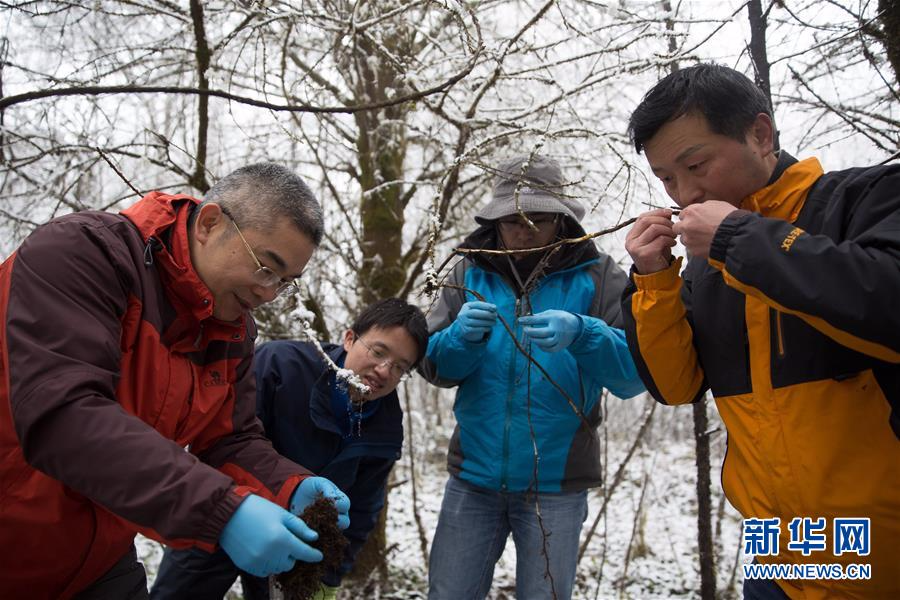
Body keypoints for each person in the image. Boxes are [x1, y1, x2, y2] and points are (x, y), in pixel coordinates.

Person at [0, 163, 352, 600]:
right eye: (266, 267)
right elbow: (63, 417)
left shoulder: (233, 330)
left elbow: (229, 439)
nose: (268, 292)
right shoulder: (84, 253)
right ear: (209, 223)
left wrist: (289, 485)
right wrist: (222, 513)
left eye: (285, 282)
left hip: (98, 557)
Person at [622, 63, 900, 599]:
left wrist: (738, 239)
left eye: (695, 164)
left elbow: (888, 302)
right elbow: (676, 387)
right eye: (666, 178)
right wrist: (654, 283)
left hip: (885, 554)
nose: (683, 191)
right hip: (781, 554)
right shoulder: (706, 265)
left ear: (761, 134)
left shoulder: (867, 198)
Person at [421, 154, 646, 600]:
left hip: (556, 487)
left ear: (562, 219)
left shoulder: (599, 276)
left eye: (538, 219)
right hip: (473, 478)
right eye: (512, 220)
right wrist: (459, 340)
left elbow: (633, 376)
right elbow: (433, 366)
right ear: (496, 220)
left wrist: (584, 333)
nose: (524, 230)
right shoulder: (469, 270)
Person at [149, 297, 428, 600]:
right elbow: (220, 444)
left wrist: (329, 578)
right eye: (378, 352)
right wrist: (232, 510)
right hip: (224, 515)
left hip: (298, 545)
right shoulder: (278, 366)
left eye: (400, 367)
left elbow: (361, 508)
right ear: (349, 338)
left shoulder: (386, 425)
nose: (384, 371)